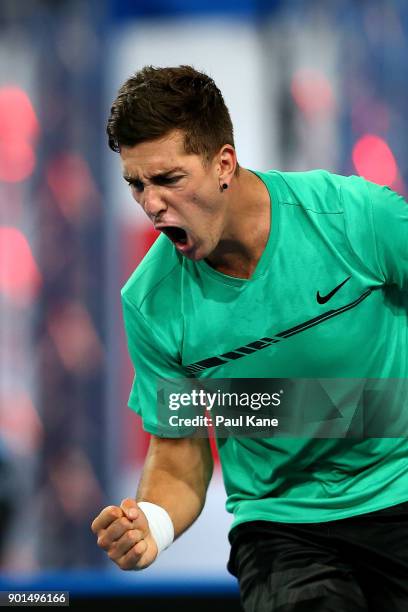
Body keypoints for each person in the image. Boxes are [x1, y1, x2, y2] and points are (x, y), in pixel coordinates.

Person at [91, 65, 408, 611]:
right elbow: (179, 452)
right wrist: (155, 524)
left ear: (223, 164)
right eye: (136, 184)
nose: (150, 204)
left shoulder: (357, 217)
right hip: (284, 532)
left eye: (167, 179)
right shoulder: (149, 304)